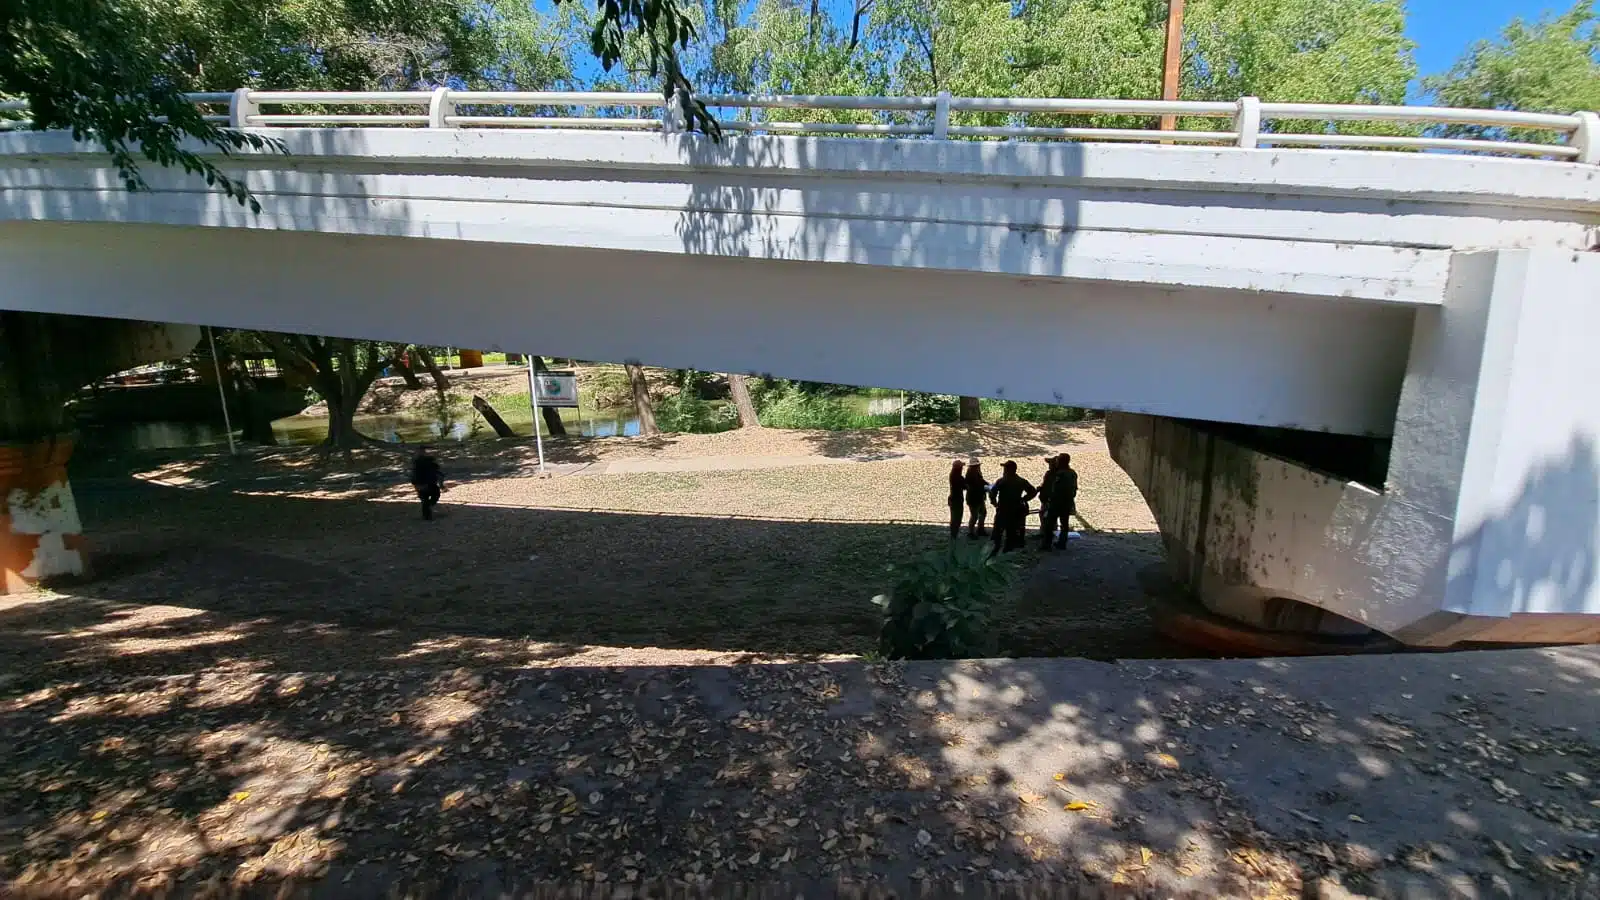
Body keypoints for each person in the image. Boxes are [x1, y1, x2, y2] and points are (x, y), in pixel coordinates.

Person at [988, 460, 1037, 555]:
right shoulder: (1021, 481)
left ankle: (994, 550)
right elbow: (1033, 491)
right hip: (1016, 509)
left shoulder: (1002, 481)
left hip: (1003, 509)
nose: (1004, 470)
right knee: (1011, 531)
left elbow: (992, 493)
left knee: (998, 531)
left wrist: (994, 503)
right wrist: (1023, 499)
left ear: (1009, 470)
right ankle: (1007, 550)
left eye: (1005, 468)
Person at [1040, 452, 1079, 550]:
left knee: (1049, 523)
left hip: (1056, 502)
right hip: (1067, 502)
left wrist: (1049, 499)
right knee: (1064, 524)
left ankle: (1046, 544)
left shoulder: (1059, 474)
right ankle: (1062, 543)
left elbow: (1055, 489)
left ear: (1061, 462)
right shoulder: (1073, 473)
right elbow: (1074, 489)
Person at [410, 445, 445, 521]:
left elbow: (413, 475)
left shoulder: (416, 462)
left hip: (420, 483)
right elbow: (439, 474)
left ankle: (427, 515)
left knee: (425, 499)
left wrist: (415, 484)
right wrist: (441, 485)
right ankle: (428, 511)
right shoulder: (430, 463)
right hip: (428, 483)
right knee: (433, 496)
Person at [1037, 456, 1061, 542]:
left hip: (1050, 500)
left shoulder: (1054, 475)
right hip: (1047, 499)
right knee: (1045, 516)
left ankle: (1047, 537)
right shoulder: (1050, 474)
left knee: (1048, 518)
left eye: (1051, 463)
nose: (1049, 465)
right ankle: (1046, 534)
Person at [963, 459, 989, 539]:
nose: (978, 467)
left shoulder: (976, 473)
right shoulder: (970, 475)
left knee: (983, 513)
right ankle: (971, 532)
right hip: (973, 498)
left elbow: (981, 481)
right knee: (974, 516)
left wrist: (987, 484)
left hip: (979, 497)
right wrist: (986, 488)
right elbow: (975, 487)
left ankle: (980, 529)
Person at [947, 460, 967, 540]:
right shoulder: (959, 477)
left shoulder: (952, 475)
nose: (962, 468)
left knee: (953, 517)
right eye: (961, 467)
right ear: (959, 468)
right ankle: (954, 534)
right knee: (957, 518)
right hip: (957, 499)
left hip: (952, 498)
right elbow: (965, 487)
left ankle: (953, 534)